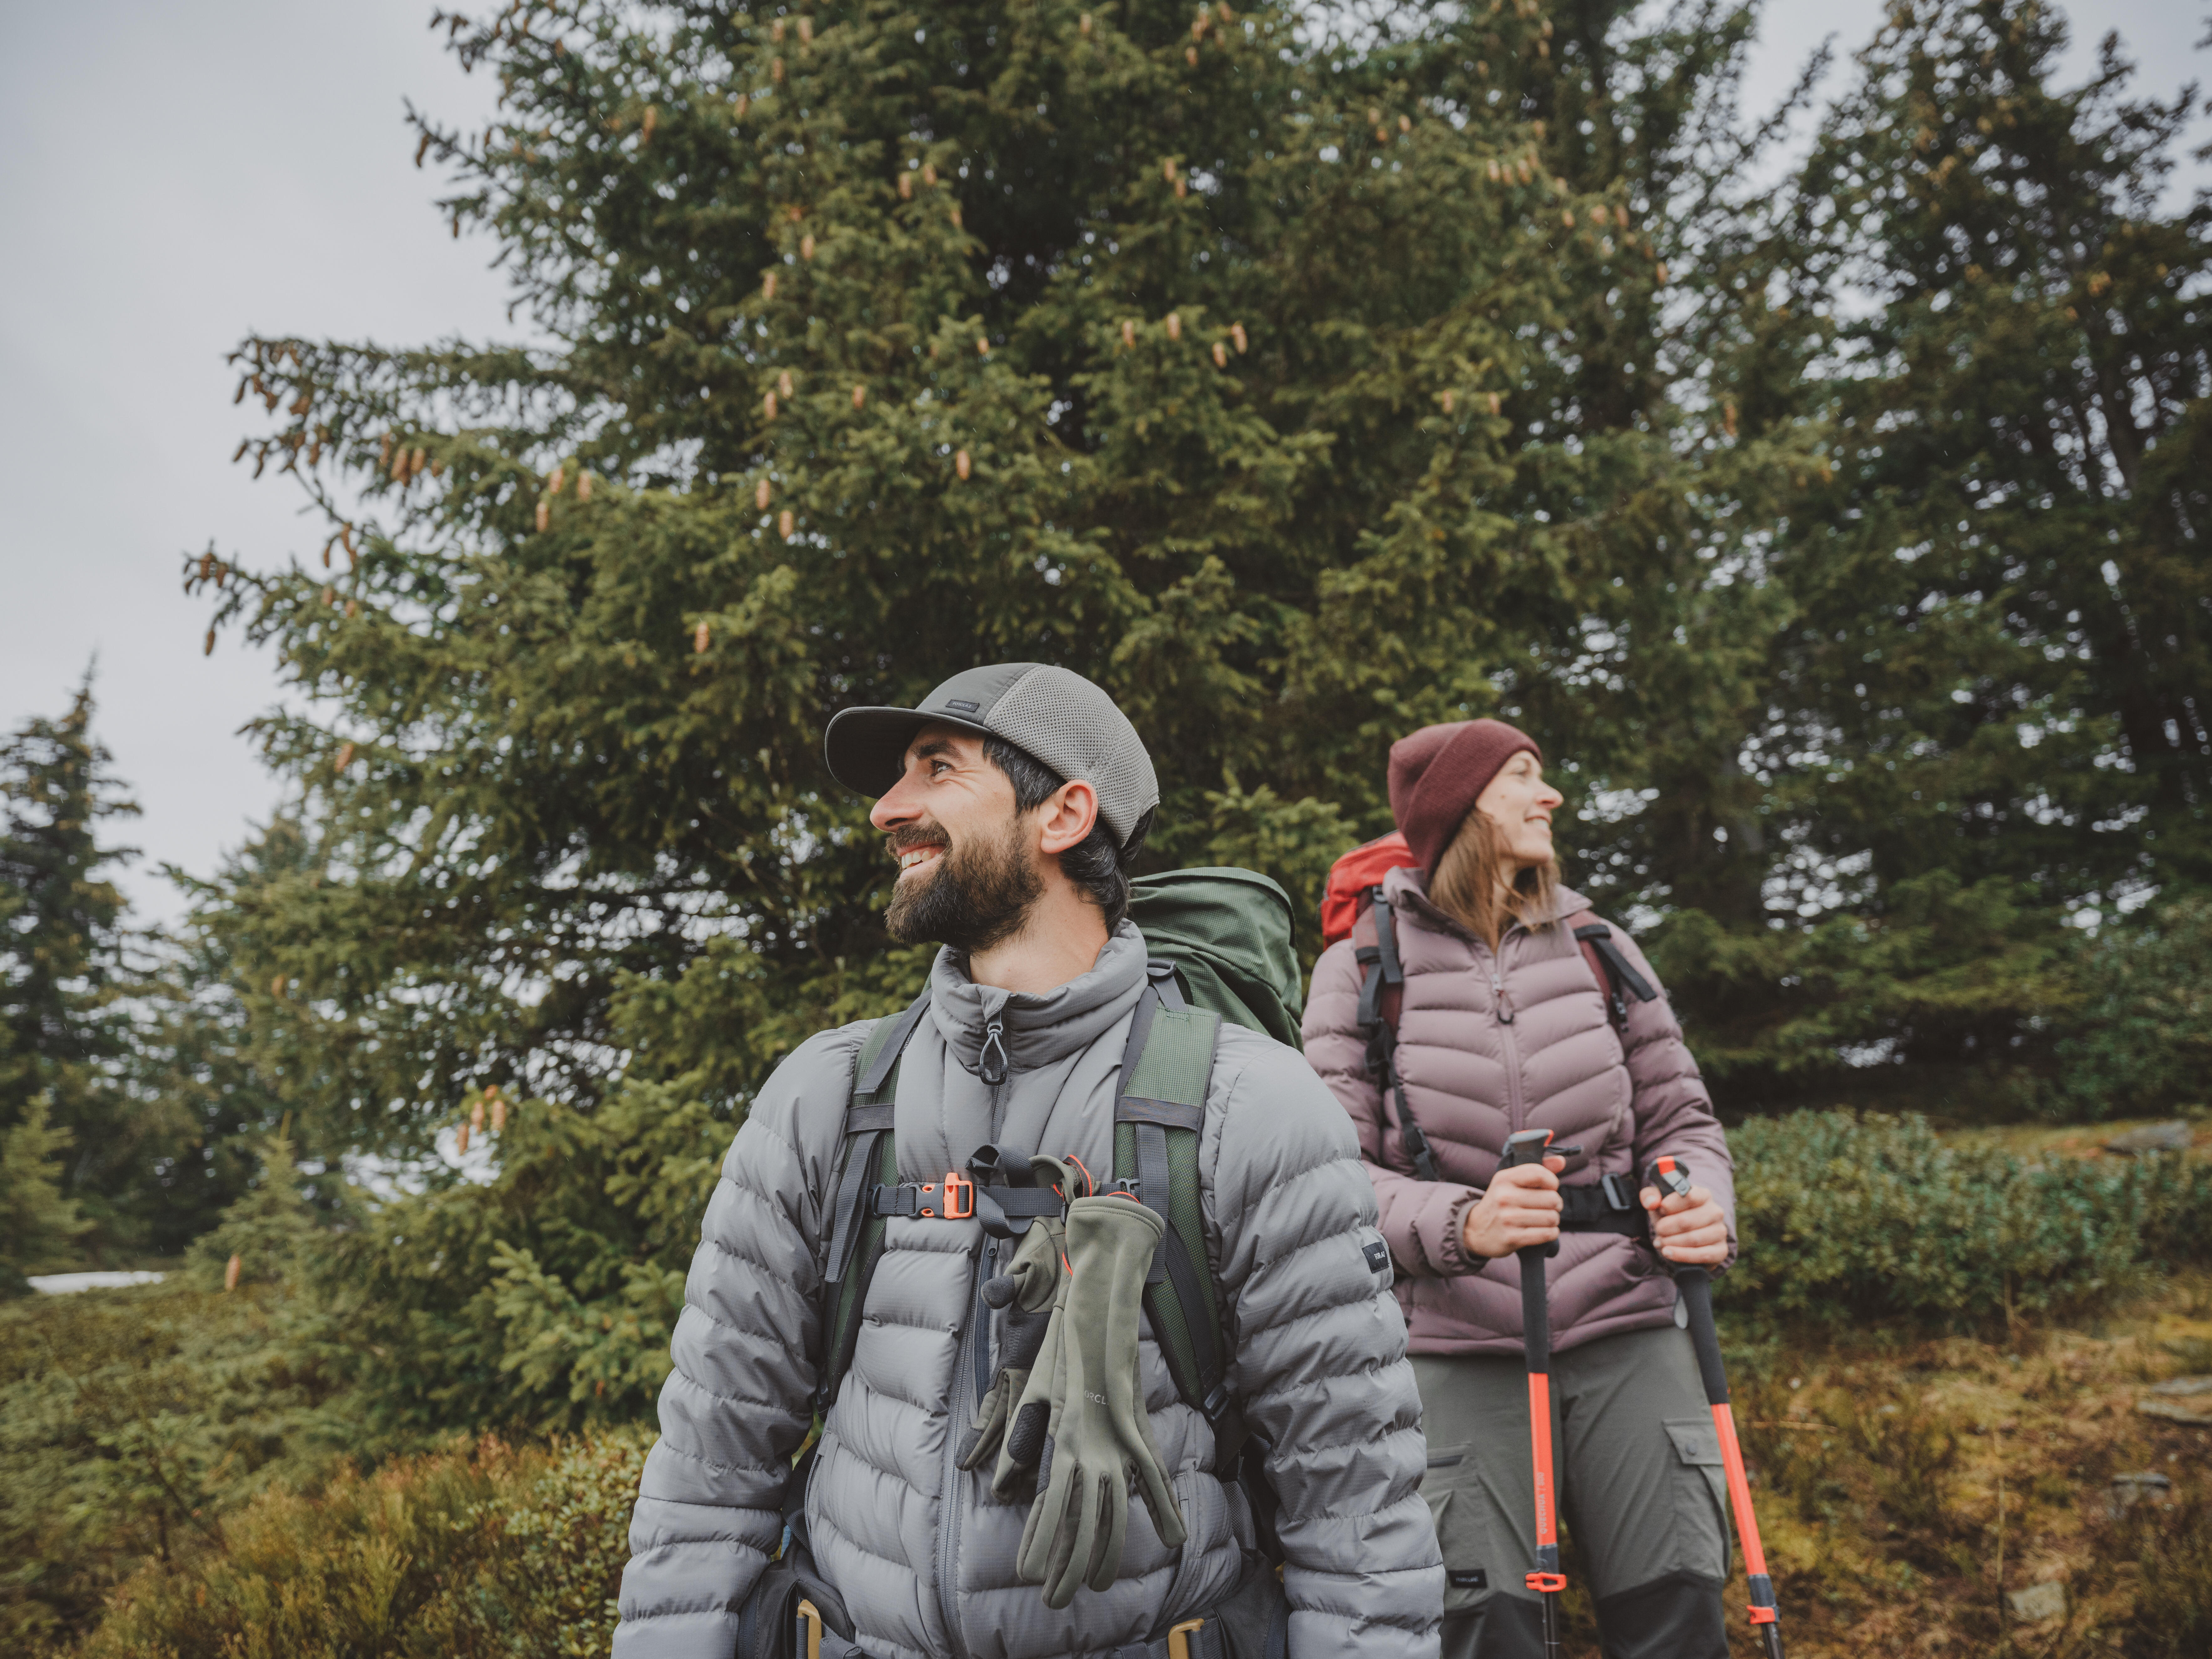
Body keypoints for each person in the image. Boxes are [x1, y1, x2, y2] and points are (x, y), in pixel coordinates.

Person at [615, 662, 1443, 1659]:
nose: (887, 809)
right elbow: (711, 1462)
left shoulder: (1248, 1104)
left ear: (1063, 813)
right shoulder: (828, 1097)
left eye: (937, 769)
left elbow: (1354, 1501)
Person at [1302, 718, 1739, 1659]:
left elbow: (1684, 1123)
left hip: (1629, 1321)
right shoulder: (1359, 969)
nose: (1550, 797)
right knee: (1484, 1630)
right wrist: (1467, 1222)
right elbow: (1334, 1180)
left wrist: (1704, 1204)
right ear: (1460, 806)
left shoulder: (1600, 946)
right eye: (1524, 778)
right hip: (1457, 1342)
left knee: (1679, 1619)